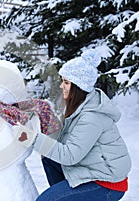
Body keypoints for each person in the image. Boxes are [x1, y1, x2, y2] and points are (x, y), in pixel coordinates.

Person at [19, 49, 132, 200]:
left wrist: (32, 138)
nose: (61, 86)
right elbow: (67, 143)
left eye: (66, 82)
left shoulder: (92, 117)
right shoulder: (81, 106)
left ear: (79, 87)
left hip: (107, 183)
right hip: (91, 169)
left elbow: (70, 155)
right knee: (49, 158)